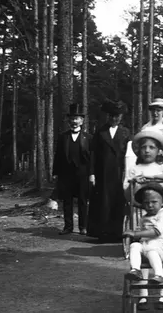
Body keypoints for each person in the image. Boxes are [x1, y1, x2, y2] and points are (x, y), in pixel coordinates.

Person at [123, 129, 163, 311]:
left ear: (159, 150)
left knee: (156, 252)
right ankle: (142, 295)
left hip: (162, 215)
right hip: (143, 214)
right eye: (143, 147)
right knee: (143, 252)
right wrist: (134, 182)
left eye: (151, 147)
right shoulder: (135, 169)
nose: (147, 150)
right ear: (138, 150)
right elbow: (128, 194)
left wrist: (153, 177)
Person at [124, 183, 163, 310]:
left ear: (162, 203)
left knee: (151, 250)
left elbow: (156, 232)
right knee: (135, 246)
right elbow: (140, 236)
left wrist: (136, 233)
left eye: (154, 202)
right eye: (146, 203)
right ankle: (135, 270)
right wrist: (134, 236)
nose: (150, 205)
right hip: (147, 247)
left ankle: (159, 275)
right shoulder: (144, 218)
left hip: (162, 250)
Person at [88, 100, 131, 243]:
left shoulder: (126, 133)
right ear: (108, 116)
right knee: (103, 203)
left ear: (121, 117)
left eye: (117, 116)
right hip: (103, 173)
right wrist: (92, 173)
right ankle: (102, 233)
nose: (114, 118)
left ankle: (117, 233)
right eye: (111, 116)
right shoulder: (100, 132)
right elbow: (93, 154)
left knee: (118, 202)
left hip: (119, 173)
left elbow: (129, 154)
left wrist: (129, 173)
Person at [52, 103, 93, 235]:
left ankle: (83, 227)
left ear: (82, 120)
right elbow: (58, 156)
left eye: (77, 119)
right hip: (66, 174)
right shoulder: (63, 137)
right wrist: (55, 173)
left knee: (82, 200)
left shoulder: (88, 138)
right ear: (69, 120)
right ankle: (68, 226)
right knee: (67, 201)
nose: (74, 121)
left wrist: (92, 173)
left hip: (83, 173)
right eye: (72, 119)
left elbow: (92, 158)